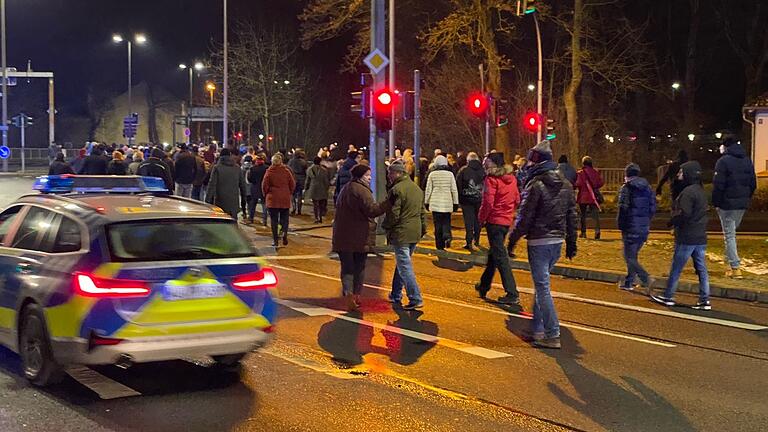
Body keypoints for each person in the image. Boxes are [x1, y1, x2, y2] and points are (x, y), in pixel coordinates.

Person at [507, 140, 578, 349]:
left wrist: (512, 241)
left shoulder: (535, 184)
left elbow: (525, 217)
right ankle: (537, 328)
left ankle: (552, 332)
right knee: (541, 286)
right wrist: (572, 242)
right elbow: (572, 215)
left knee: (543, 287)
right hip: (557, 240)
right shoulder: (565, 184)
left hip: (539, 242)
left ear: (536, 161)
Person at [652, 161, 711, 310]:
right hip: (700, 237)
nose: (678, 175)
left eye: (681, 172)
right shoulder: (700, 191)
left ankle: (668, 295)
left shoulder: (688, 193)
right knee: (701, 269)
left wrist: (672, 222)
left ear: (688, 174)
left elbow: (684, 214)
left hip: (687, 237)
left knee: (676, 268)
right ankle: (705, 299)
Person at [332, 164, 393, 310]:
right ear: (360, 176)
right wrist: (388, 203)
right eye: (367, 175)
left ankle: (348, 293)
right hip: (359, 235)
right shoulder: (362, 191)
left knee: (347, 268)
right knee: (359, 267)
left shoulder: (345, 189)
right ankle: (356, 296)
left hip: (342, 235)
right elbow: (372, 210)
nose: (370, 177)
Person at [475, 152, 520, 305]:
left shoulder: (491, 179)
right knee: (494, 254)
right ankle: (484, 285)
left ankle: (512, 292)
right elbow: (517, 199)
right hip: (506, 221)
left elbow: (488, 202)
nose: (484, 163)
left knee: (500, 257)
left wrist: (481, 219)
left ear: (493, 163)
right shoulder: (512, 179)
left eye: (486, 161)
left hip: (494, 221)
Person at [383, 162, 426, 310]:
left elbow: (393, 214)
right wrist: (423, 229)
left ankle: (415, 297)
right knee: (402, 264)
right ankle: (395, 294)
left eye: (390, 173)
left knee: (405, 267)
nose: (389, 176)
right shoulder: (416, 189)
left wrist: (386, 227)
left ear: (397, 173)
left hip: (402, 232)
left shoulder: (396, 190)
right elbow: (422, 212)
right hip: (415, 231)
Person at [711, 138, 757, 279]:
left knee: (729, 235)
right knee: (731, 233)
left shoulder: (723, 162)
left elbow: (718, 185)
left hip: (727, 204)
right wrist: (745, 197)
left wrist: (716, 202)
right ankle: (729, 265)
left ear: (725, 147)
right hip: (741, 204)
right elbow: (753, 183)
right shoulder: (747, 160)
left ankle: (735, 267)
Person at [617, 163, 656, 292]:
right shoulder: (648, 188)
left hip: (630, 226)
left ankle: (645, 277)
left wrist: (621, 225)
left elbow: (623, 208)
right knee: (632, 255)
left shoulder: (627, 188)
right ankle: (629, 282)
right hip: (643, 226)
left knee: (628, 256)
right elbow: (652, 208)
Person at [424, 155, 459, 250]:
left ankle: (439, 245)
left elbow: (428, 190)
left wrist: (426, 202)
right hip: (447, 202)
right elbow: (454, 189)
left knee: (437, 224)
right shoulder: (450, 174)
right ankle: (447, 235)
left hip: (435, 203)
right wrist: (455, 203)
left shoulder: (432, 174)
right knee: (446, 221)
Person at [262, 154, 296, 247]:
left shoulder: (269, 172)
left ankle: (275, 240)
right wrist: (289, 192)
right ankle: (284, 232)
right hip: (284, 198)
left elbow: (264, 185)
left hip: (273, 199)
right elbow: (292, 184)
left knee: (274, 221)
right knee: (284, 218)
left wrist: (266, 194)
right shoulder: (286, 171)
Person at [205, 148, 247, 220]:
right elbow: (243, 186)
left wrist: (207, 202)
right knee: (233, 224)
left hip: (220, 202)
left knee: (220, 223)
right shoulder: (237, 168)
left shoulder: (217, 168)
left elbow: (212, 185)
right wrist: (243, 206)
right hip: (233, 203)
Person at [455, 152, 484, 251]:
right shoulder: (484, 171)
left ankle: (469, 241)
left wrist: (459, 198)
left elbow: (458, 185)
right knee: (478, 220)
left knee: (468, 221)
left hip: (466, 200)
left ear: (468, 160)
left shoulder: (463, 170)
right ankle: (476, 240)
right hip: (479, 199)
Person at [575, 156, 604, 239]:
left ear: (583, 163)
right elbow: (601, 183)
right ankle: (597, 231)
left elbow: (578, 183)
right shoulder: (595, 172)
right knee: (595, 215)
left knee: (583, 215)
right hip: (593, 197)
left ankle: (583, 232)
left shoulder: (580, 173)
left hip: (583, 197)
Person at [305, 156, 331, 223]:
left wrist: (306, 188)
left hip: (313, 188)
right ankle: (320, 217)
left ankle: (316, 218)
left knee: (315, 204)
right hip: (322, 188)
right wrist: (327, 188)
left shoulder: (310, 169)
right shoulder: (324, 170)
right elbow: (326, 181)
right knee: (321, 204)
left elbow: (307, 180)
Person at [247, 154, 269, 225]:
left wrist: (254, 182)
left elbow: (250, 179)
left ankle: (251, 218)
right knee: (264, 205)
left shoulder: (253, 168)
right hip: (263, 188)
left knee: (253, 204)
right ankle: (264, 220)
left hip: (254, 188)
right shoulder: (266, 168)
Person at [288, 149, 309, 215]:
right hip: (301, 178)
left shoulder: (291, 161)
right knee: (299, 194)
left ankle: (294, 208)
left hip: (293, 178)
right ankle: (299, 209)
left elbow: (288, 169)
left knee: (293, 194)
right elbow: (306, 171)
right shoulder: (303, 162)